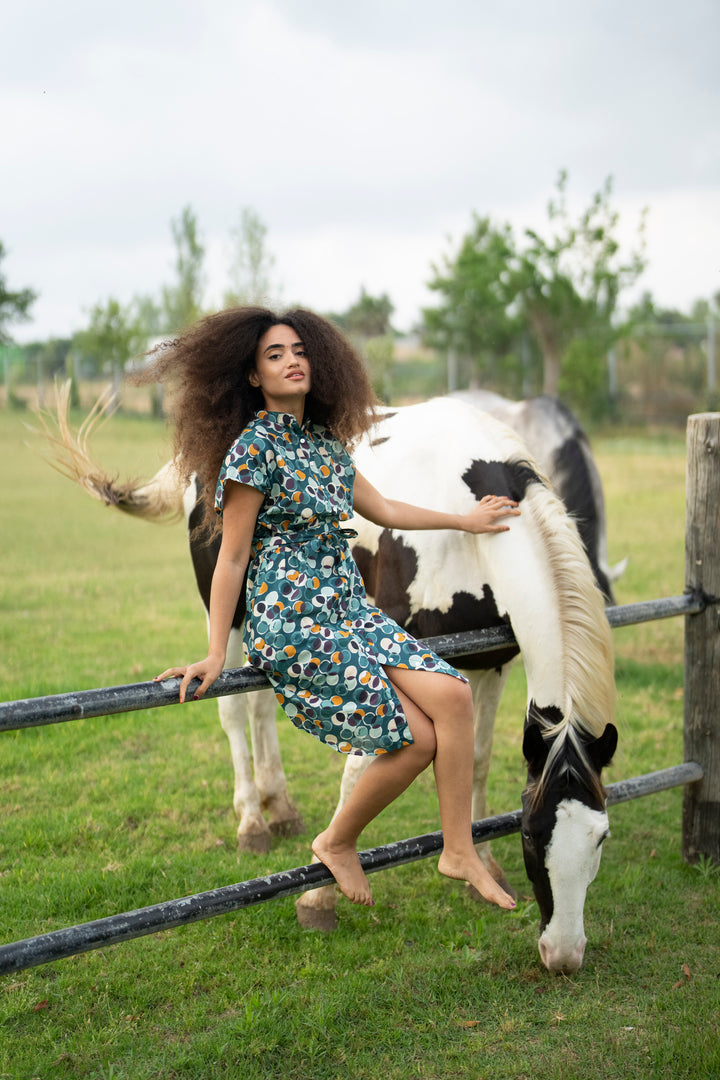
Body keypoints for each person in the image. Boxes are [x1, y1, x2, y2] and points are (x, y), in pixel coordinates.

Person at [145, 306, 520, 911]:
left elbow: (387, 510)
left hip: (348, 607)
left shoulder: (326, 445)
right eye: (275, 355)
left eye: (299, 350)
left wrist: (464, 518)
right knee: (415, 740)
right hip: (293, 621)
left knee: (451, 698)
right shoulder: (252, 451)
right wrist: (218, 650)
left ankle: (458, 849)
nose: (292, 361)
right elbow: (233, 557)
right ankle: (337, 841)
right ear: (251, 378)